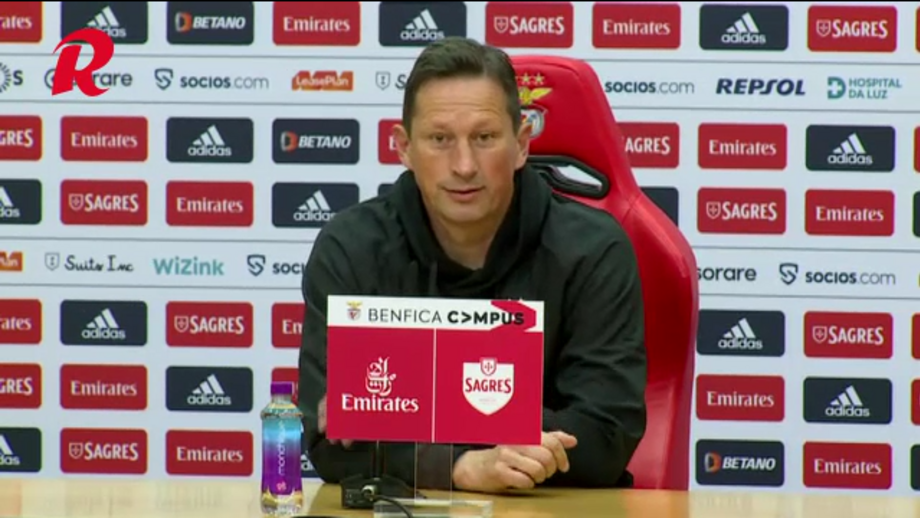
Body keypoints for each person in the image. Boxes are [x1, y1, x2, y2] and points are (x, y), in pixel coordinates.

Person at [298, 36, 647, 494]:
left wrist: (401, 408)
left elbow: (603, 439)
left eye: (484, 138)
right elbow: (329, 445)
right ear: (404, 148)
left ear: (521, 143)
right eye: (440, 139)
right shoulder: (352, 248)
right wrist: (460, 467)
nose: (463, 165)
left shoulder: (593, 250)